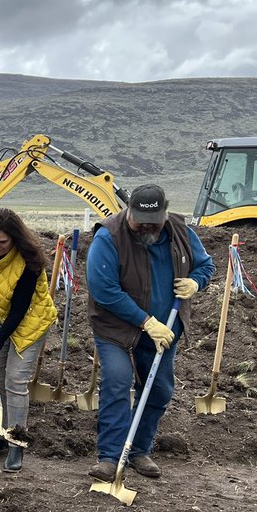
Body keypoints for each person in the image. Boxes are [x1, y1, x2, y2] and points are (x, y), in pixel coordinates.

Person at [86, 184, 214, 481]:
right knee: (118, 382)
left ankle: (138, 450)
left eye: (154, 220)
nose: (147, 226)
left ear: (165, 213)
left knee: (158, 389)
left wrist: (196, 282)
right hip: (116, 329)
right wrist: (146, 322)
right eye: (140, 220)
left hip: (165, 329)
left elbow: (205, 265)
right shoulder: (109, 236)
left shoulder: (180, 231)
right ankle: (110, 457)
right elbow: (105, 291)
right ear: (128, 211)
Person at [0, 209, 58, 473]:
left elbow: (18, 309)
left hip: (28, 321)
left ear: (15, 239)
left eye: (3, 243)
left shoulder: (30, 262)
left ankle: (16, 442)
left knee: (15, 381)